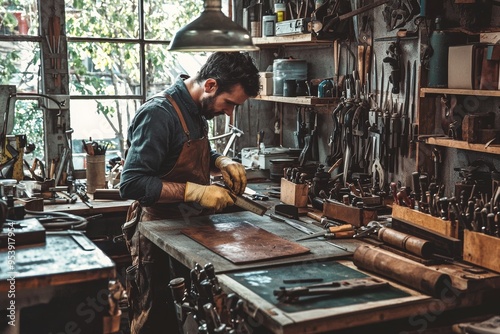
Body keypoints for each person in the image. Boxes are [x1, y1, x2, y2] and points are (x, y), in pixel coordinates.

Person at [119, 52, 260, 334]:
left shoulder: (197, 110)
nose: (230, 112)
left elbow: (182, 150)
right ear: (210, 85)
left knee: (192, 319)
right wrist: (195, 192)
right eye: (229, 103)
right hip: (157, 235)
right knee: (157, 320)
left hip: (190, 229)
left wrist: (219, 160)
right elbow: (132, 183)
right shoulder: (158, 114)